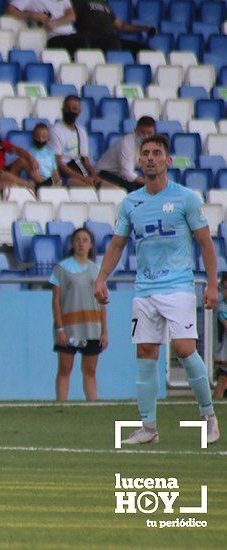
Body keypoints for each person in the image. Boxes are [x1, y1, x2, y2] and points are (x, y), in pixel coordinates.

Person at [94, 134, 220, 445]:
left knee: (184, 349)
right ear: (139, 161)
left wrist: (213, 283)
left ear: (167, 161)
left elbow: (205, 242)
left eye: (157, 153)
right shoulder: (131, 202)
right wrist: (101, 277)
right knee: (146, 353)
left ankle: (208, 416)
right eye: (146, 153)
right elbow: (118, 244)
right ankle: (148, 428)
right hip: (145, 290)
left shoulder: (186, 198)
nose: (151, 157)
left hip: (177, 287)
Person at [50, 228, 107, 401]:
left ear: (90, 245)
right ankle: (61, 406)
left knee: (90, 371)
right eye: (77, 240)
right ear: (72, 243)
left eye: (85, 240)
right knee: (65, 369)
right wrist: (60, 328)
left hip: (92, 328)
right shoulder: (62, 269)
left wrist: (104, 331)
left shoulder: (97, 270)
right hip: (69, 328)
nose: (81, 244)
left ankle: (93, 405)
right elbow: (56, 301)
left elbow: (102, 303)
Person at [71, 0, 155, 57]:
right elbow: (70, 17)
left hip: (111, 37)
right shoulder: (78, 2)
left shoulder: (104, 4)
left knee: (146, 51)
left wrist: (143, 28)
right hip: (92, 38)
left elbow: (121, 26)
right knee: (114, 46)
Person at [51, 95, 100, 188]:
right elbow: (58, 163)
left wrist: (94, 177)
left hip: (80, 169)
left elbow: (86, 161)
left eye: (74, 109)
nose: (70, 111)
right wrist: (83, 179)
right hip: (65, 174)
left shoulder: (81, 131)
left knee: (114, 189)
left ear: (79, 111)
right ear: (63, 110)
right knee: (89, 189)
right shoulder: (56, 130)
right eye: (68, 108)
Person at [96, 116, 156, 192]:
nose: (146, 136)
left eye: (149, 133)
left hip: (120, 174)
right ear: (136, 131)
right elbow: (127, 173)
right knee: (130, 188)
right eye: (142, 132)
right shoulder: (126, 143)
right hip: (104, 172)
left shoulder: (153, 146)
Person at [0, 117, 37, 192]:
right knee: (2, 174)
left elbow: (18, 150)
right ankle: (30, 186)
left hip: (5, 172)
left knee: (22, 161)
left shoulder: (1, 143)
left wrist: (31, 159)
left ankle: (41, 182)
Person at [4, 0, 77, 51]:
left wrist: (54, 23)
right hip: (53, 36)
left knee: (84, 43)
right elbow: (9, 10)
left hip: (70, 34)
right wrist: (32, 15)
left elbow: (72, 16)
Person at [23, 123, 60, 187]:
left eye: (43, 137)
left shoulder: (50, 153)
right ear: (33, 137)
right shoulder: (30, 153)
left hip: (49, 180)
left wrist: (58, 180)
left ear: (48, 138)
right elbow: (30, 170)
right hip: (35, 181)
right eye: (38, 137)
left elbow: (54, 170)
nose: (40, 140)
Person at [214, 273, 227, 400]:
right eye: (225, 287)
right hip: (223, 351)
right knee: (223, 379)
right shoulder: (222, 306)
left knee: (223, 379)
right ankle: (214, 406)